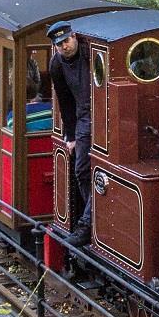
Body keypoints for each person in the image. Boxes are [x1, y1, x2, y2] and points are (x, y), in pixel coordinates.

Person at [46, 19, 94, 247]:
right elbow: (64, 101)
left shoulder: (89, 55)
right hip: (83, 116)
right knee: (81, 169)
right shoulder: (57, 65)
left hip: (105, 113)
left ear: (73, 37)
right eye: (60, 44)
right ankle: (92, 217)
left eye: (66, 41)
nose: (64, 46)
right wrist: (71, 136)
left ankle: (87, 222)